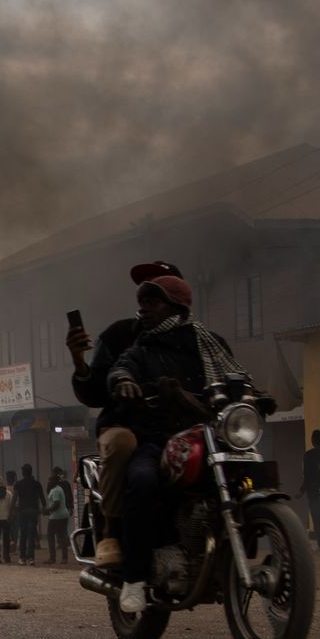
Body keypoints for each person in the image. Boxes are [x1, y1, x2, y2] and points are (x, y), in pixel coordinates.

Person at [108, 273, 245, 615]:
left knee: (246, 477)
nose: (144, 311)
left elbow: (235, 378)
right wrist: (124, 380)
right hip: (157, 439)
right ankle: (135, 578)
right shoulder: (142, 349)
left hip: (211, 435)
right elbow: (121, 368)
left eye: (152, 303)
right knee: (141, 480)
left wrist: (256, 396)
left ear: (177, 306)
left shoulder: (211, 344)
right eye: (142, 304)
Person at [69, 261, 187, 570]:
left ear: (177, 298)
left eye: (157, 291)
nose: (146, 301)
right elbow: (95, 391)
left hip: (182, 427)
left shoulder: (197, 340)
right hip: (128, 425)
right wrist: (79, 361)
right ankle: (112, 533)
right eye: (144, 291)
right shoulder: (122, 336)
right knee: (125, 448)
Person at [302, 429, 320, 554]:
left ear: (313, 440)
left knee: (317, 520)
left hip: (313, 492)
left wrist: (301, 490)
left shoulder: (308, 455)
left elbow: (307, 476)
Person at [13, 463, 45, 564]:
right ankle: (31, 558)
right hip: (33, 511)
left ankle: (22, 557)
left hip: (22, 511)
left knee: (23, 534)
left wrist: (11, 511)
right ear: (31, 472)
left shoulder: (18, 484)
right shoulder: (37, 484)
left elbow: (14, 498)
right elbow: (42, 498)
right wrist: (44, 508)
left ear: (22, 473)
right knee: (31, 535)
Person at [44, 467, 71, 564]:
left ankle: (52, 558)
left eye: (51, 480)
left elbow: (56, 504)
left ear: (55, 481)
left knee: (50, 536)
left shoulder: (55, 490)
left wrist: (47, 510)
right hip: (64, 516)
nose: (49, 482)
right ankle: (64, 558)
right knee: (62, 536)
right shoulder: (59, 488)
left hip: (56, 517)